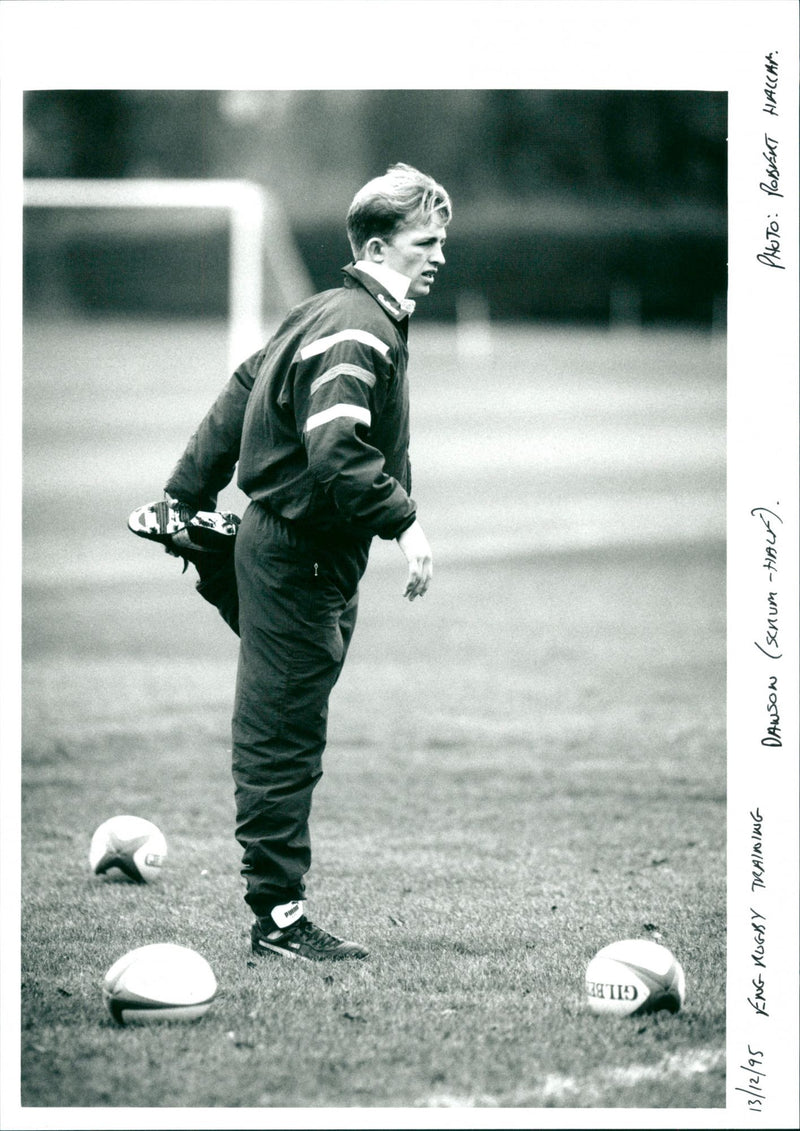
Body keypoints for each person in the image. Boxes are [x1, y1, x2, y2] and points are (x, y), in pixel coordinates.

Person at [128, 163, 452, 963]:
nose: (440, 254)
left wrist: (182, 490)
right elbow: (337, 448)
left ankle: (213, 548)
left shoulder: (325, 308)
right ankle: (278, 919)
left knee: (286, 717)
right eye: (427, 241)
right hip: (300, 556)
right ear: (378, 246)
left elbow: (245, 386)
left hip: (297, 552)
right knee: (282, 735)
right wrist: (406, 522)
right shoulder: (359, 327)